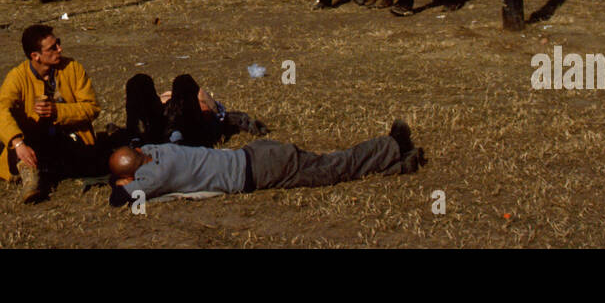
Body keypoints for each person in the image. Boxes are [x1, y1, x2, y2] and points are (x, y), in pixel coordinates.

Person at [107, 120, 424, 207]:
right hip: (256, 154)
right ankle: (401, 162)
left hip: (261, 171)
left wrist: (121, 184)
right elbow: (131, 153)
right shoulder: (154, 151)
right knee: (331, 165)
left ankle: (393, 146)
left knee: (337, 166)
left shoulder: (155, 175)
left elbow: (117, 199)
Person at [0, 24, 103, 203]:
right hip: (35, 140)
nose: (60, 49)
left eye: (58, 43)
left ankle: (38, 173)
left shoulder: (72, 68)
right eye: (52, 48)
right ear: (36, 56)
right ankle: (31, 175)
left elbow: (92, 107)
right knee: (26, 144)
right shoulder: (17, 76)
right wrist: (18, 143)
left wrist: (58, 111)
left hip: (70, 139)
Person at [117, 73, 266, 148]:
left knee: (183, 81)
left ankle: (176, 137)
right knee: (139, 81)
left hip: (191, 130)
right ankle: (136, 137)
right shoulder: (165, 103)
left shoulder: (198, 98)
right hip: (159, 127)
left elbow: (216, 113)